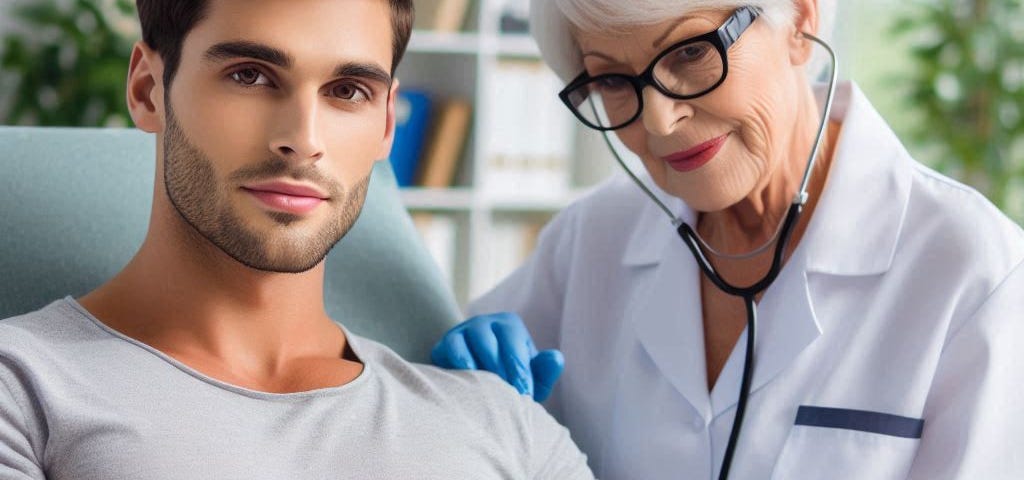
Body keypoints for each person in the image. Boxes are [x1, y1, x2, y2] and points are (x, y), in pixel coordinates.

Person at [0, 1, 594, 478]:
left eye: (348, 91)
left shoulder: (501, 422)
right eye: (250, 76)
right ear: (148, 90)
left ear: (387, 122)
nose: (302, 139)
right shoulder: (23, 391)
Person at [432, 0, 1024, 479]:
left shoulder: (976, 273)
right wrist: (456, 386)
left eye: (691, 52)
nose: (660, 121)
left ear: (799, 19)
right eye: (613, 79)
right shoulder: (592, 238)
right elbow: (452, 425)